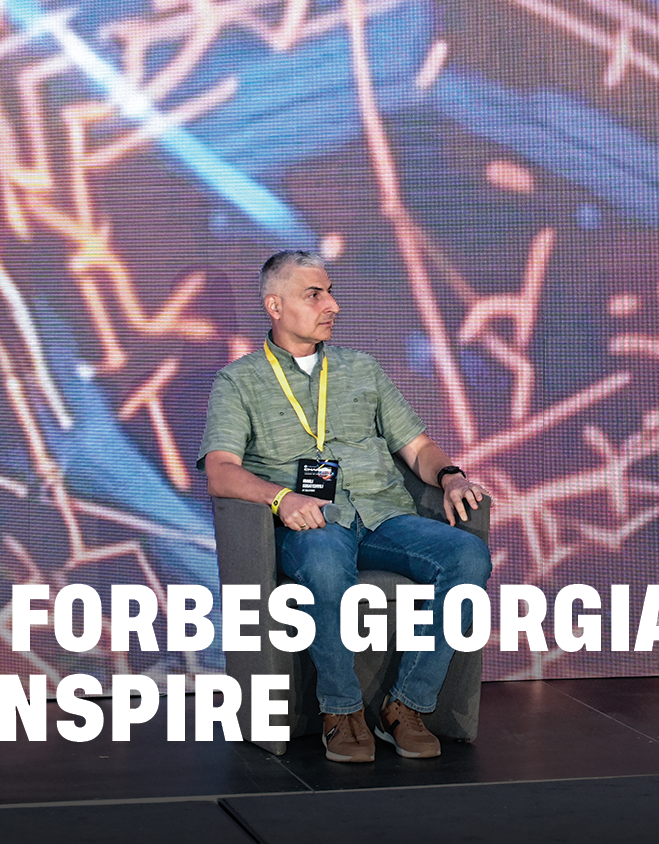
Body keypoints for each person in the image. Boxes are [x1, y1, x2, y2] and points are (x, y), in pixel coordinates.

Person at [199, 250, 491, 763]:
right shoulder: (238, 381)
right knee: (325, 558)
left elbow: (418, 448)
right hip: (313, 522)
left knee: (468, 555)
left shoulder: (362, 369)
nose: (331, 305)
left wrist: (450, 477)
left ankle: (406, 706)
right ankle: (341, 710)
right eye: (314, 295)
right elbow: (220, 470)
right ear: (275, 305)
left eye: (330, 292)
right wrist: (281, 498)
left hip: (383, 516)